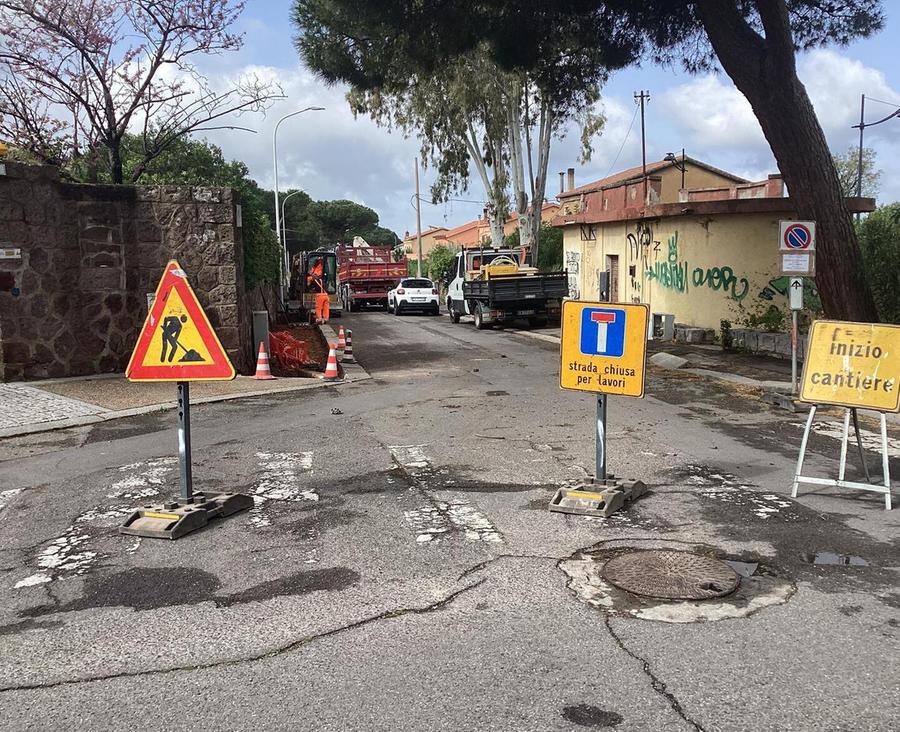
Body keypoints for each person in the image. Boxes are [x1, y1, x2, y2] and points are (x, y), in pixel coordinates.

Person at [306, 257, 330, 323]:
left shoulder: (314, 279)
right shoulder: (323, 279)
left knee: (318, 308)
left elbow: (309, 284)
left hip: (320, 296)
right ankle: (325, 319)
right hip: (326, 295)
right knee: (326, 308)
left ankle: (319, 319)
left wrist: (309, 284)